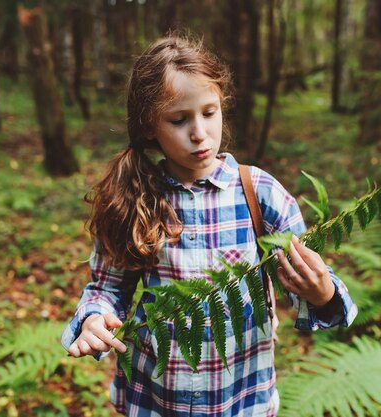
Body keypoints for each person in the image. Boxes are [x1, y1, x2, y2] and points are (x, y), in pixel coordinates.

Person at [61, 35, 357, 417]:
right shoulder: (134, 199)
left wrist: (321, 293)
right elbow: (108, 288)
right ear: (150, 126)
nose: (199, 133)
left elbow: (309, 283)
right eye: (179, 119)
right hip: (155, 399)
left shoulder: (260, 194)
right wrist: (94, 319)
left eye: (209, 112)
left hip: (240, 400)